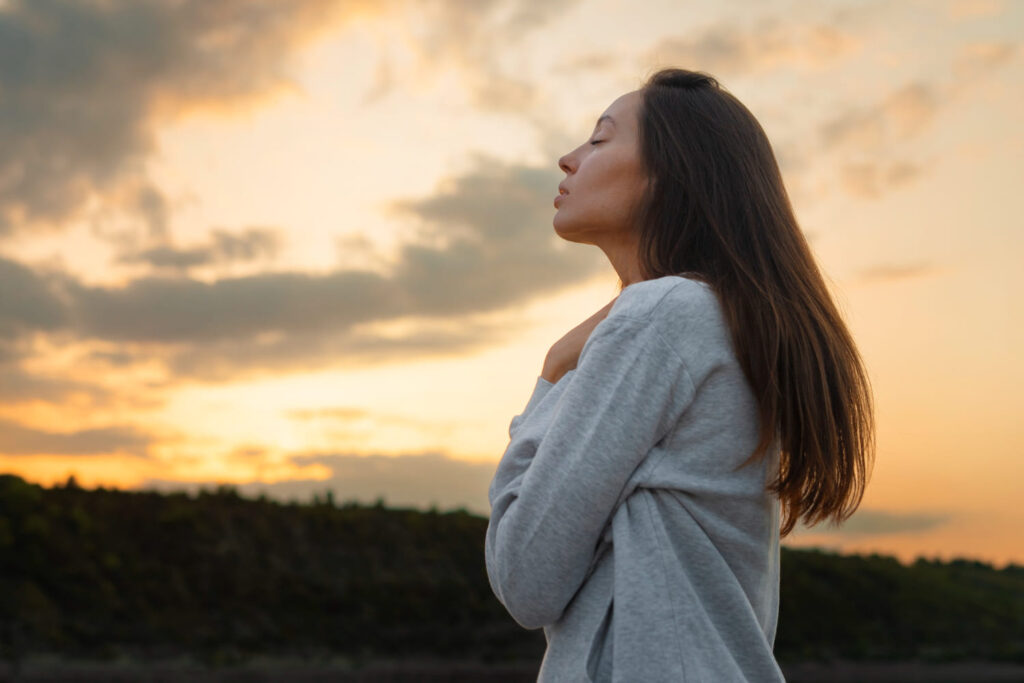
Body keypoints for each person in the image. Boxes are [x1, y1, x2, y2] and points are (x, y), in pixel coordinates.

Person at [484, 68, 876, 682]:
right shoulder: (726, 322)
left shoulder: (664, 316)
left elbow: (525, 577)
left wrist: (554, 373)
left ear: (669, 172)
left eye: (599, 139)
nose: (568, 159)